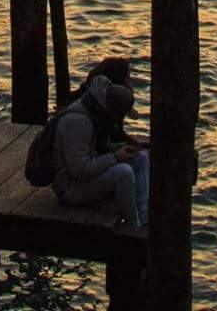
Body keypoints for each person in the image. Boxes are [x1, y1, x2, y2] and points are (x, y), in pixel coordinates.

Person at [52, 72, 149, 228]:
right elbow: (78, 169)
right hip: (71, 188)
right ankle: (134, 226)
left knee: (141, 158)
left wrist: (119, 148)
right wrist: (116, 156)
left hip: (87, 176)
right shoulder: (77, 122)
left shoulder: (98, 113)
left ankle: (144, 219)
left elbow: (96, 148)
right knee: (123, 172)